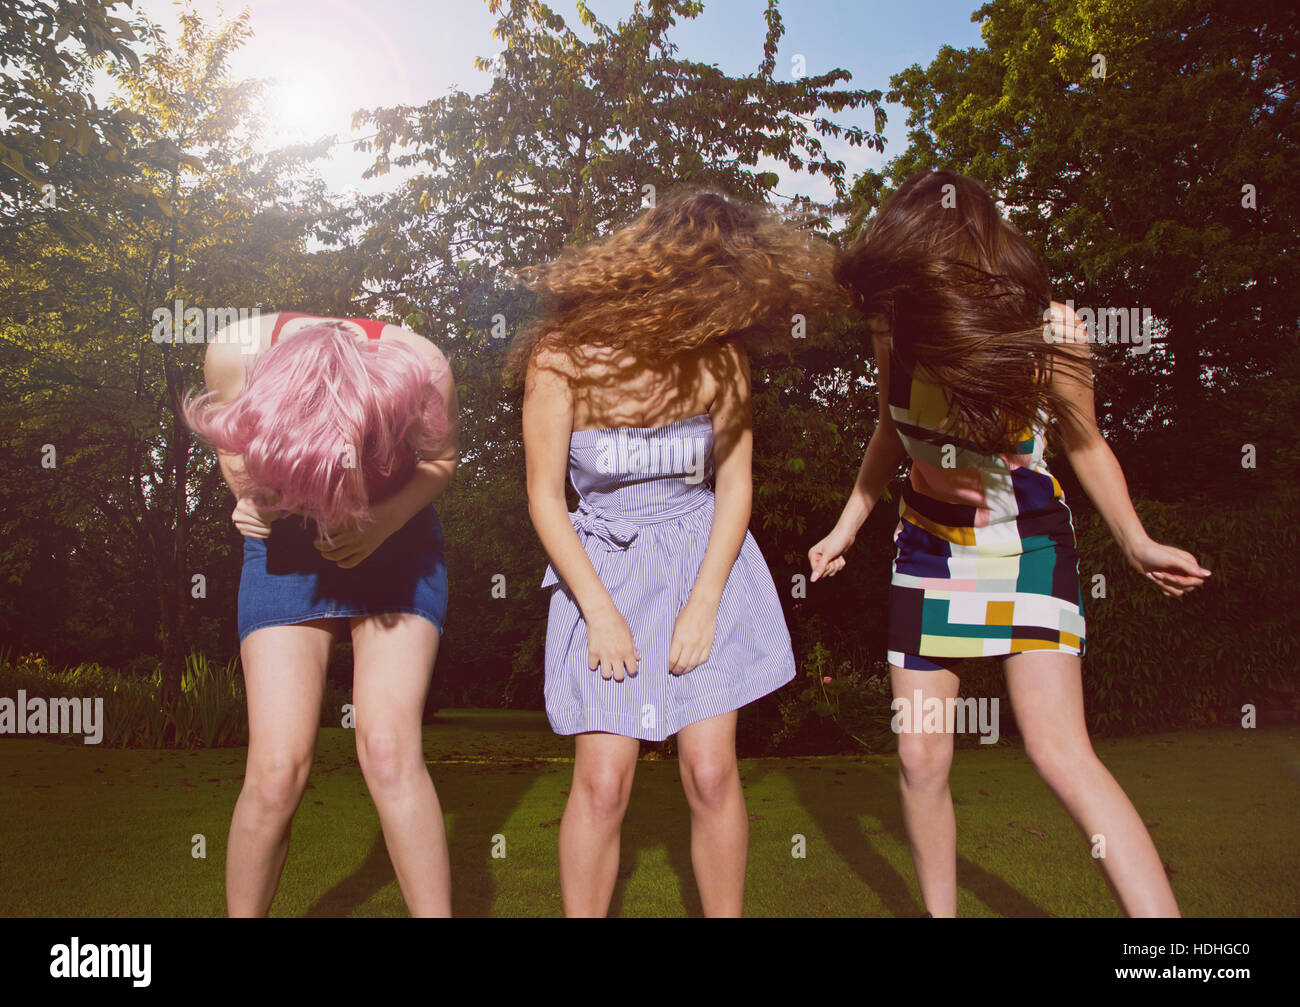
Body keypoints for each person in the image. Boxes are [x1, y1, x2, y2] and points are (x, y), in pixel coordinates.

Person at [808, 170, 1209, 918]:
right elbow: (890, 430)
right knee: (921, 755)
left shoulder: (1050, 335)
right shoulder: (895, 327)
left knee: (1060, 752)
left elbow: (1086, 444)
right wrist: (848, 523)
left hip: (1027, 548)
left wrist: (1136, 540)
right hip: (927, 550)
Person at [512, 191, 844, 917]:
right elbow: (545, 497)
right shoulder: (563, 356)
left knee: (710, 771)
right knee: (603, 780)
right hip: (601, 566)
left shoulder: (721, 360)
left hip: (705, 559)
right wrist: (599, 611)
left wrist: (704, 602)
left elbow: (735, 486)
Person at [184, 311, 459, 917]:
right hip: (286, 542)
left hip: (395, 537)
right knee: (277, 768)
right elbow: (234, 451)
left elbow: (442, 460)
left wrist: (381, 523)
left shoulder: (424, 367)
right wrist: (251, 500)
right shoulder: (235, 352)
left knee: (389, 749)